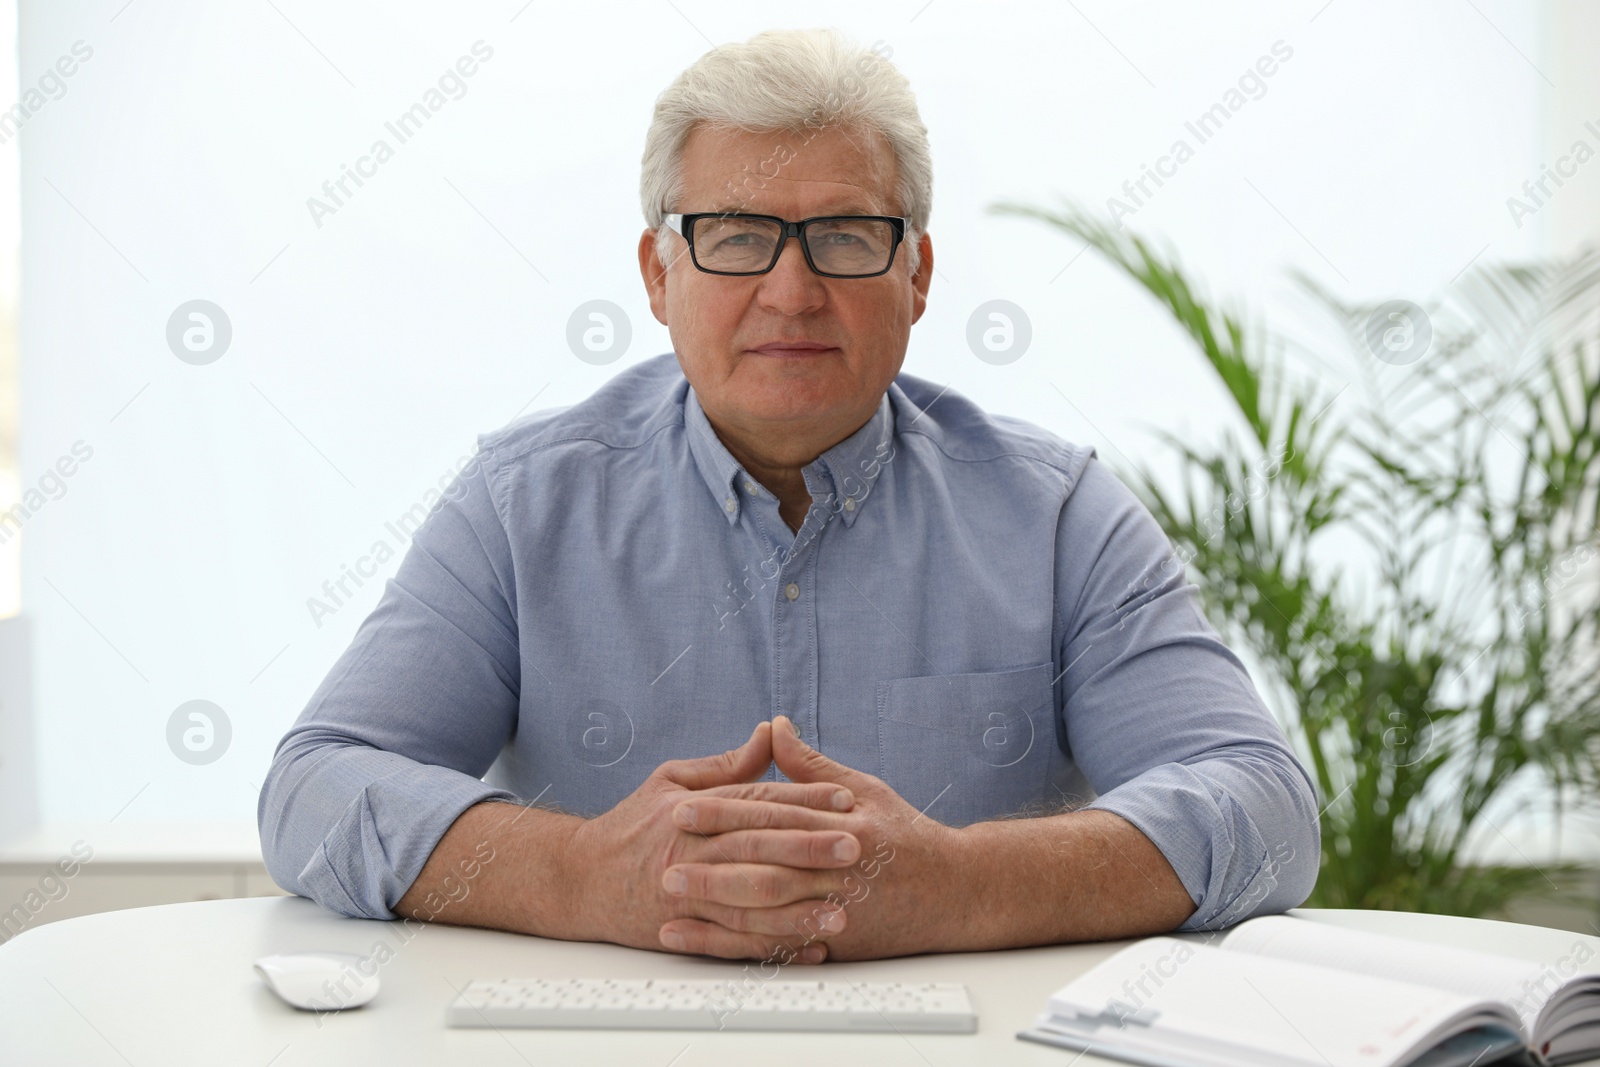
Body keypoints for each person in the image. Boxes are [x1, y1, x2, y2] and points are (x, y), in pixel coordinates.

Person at [258, 26, 1320, 965]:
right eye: (735, 232)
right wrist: (581, 870)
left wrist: (960, 883)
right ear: (657, 272)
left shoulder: (1056, 516)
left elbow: (1265, 808)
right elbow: (315, 787)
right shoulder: (518, 505)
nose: (792, 290)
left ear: (917, 275)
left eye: (846, 236)